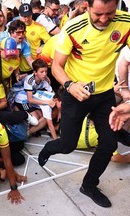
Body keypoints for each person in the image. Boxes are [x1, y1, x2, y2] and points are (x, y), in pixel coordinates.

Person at [38, 0, 130, 208]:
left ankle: (88, 185)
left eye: (110, 13)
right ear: (87, 6)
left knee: (109, 145)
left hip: (105, 93)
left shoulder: (126, 23)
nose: (105, 19)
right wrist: (69, 85)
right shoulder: (73, 27)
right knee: (68, 145)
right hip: (75, 94)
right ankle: (48, 148)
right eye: (98, 14)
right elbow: (56, 66)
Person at [14, 59, 58, 139]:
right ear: (35, 72)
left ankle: (30, 131)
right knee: (37, 120)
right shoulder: (30, 80)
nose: (44, 74)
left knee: (42, 117)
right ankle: (25, 133)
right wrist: (48, 102)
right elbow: (30, 99)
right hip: (22, 100)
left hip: (32, 100)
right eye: (42, 72)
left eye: (46, 72)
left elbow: (53, 93)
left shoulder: (45, 81)